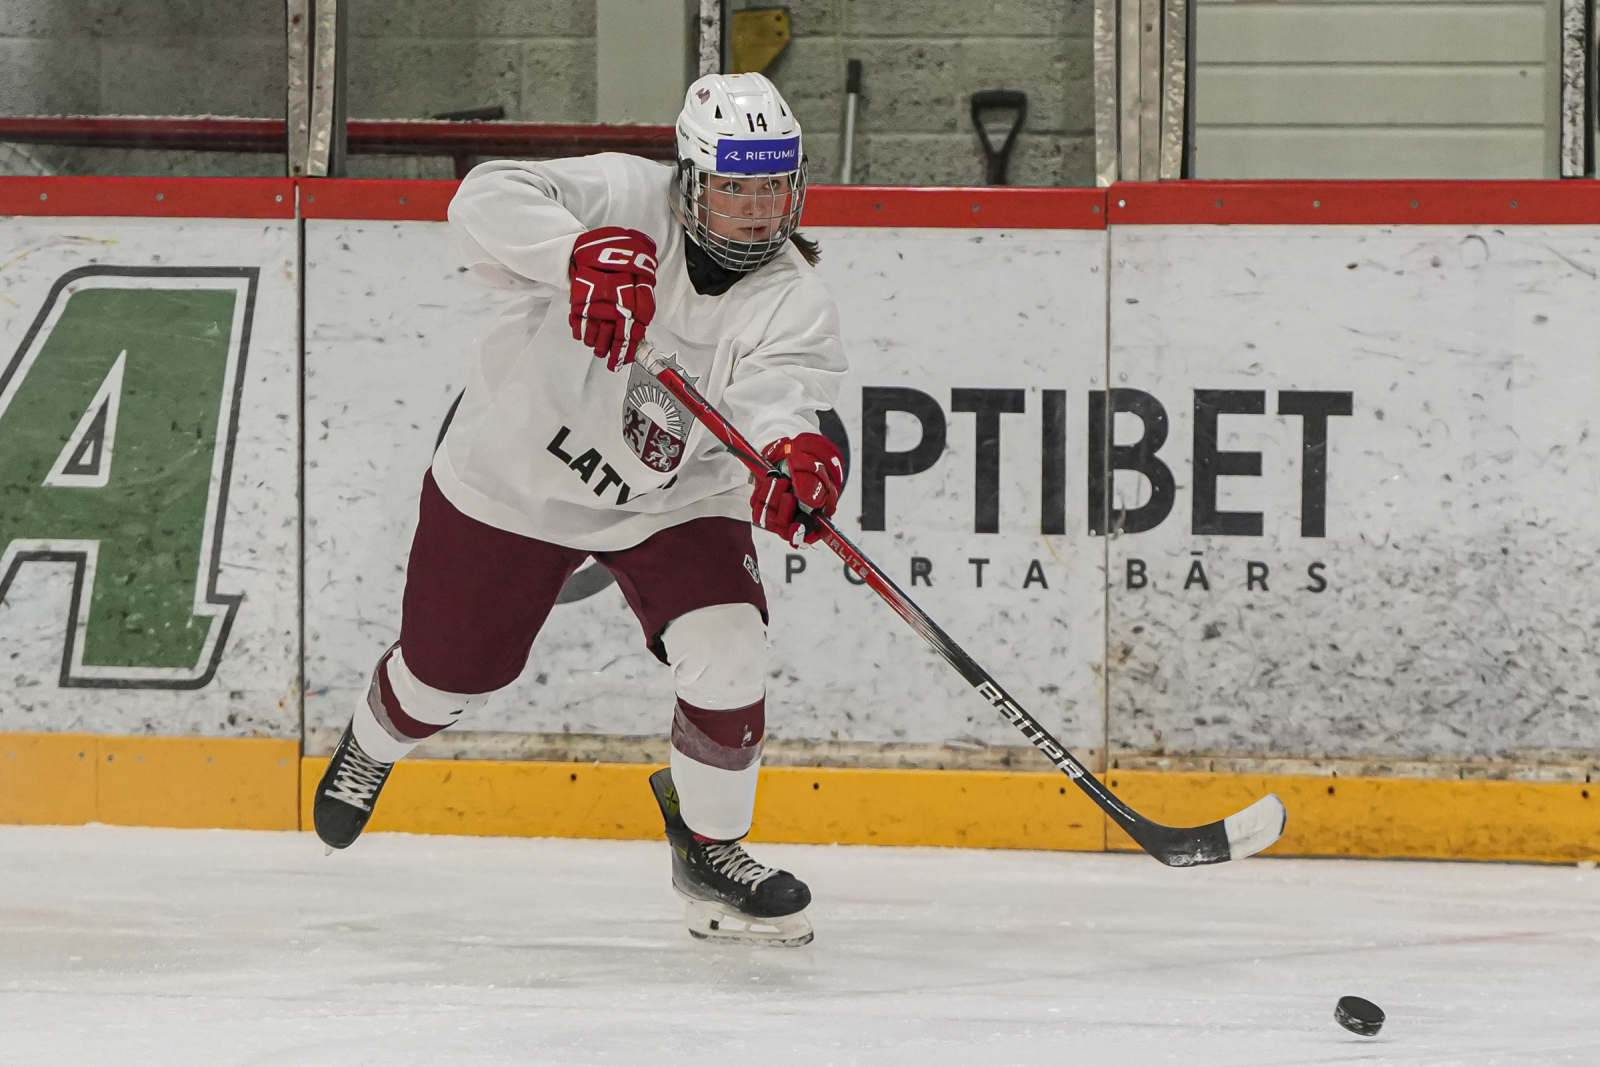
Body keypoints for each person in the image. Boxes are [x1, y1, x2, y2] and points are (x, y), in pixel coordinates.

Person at [312, 71, 846, 948]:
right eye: (735, 187)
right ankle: (375, 738)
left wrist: (790, 454)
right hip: (515, 475)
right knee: (441, 680)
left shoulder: (794, 298)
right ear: (689, 178)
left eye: (773, 188)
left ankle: (710, 848)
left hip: (674, 498)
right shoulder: (623, 193)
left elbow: (778, 395)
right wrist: (575, 254)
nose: (756, 211)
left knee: (729, 651)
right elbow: (483, 198)